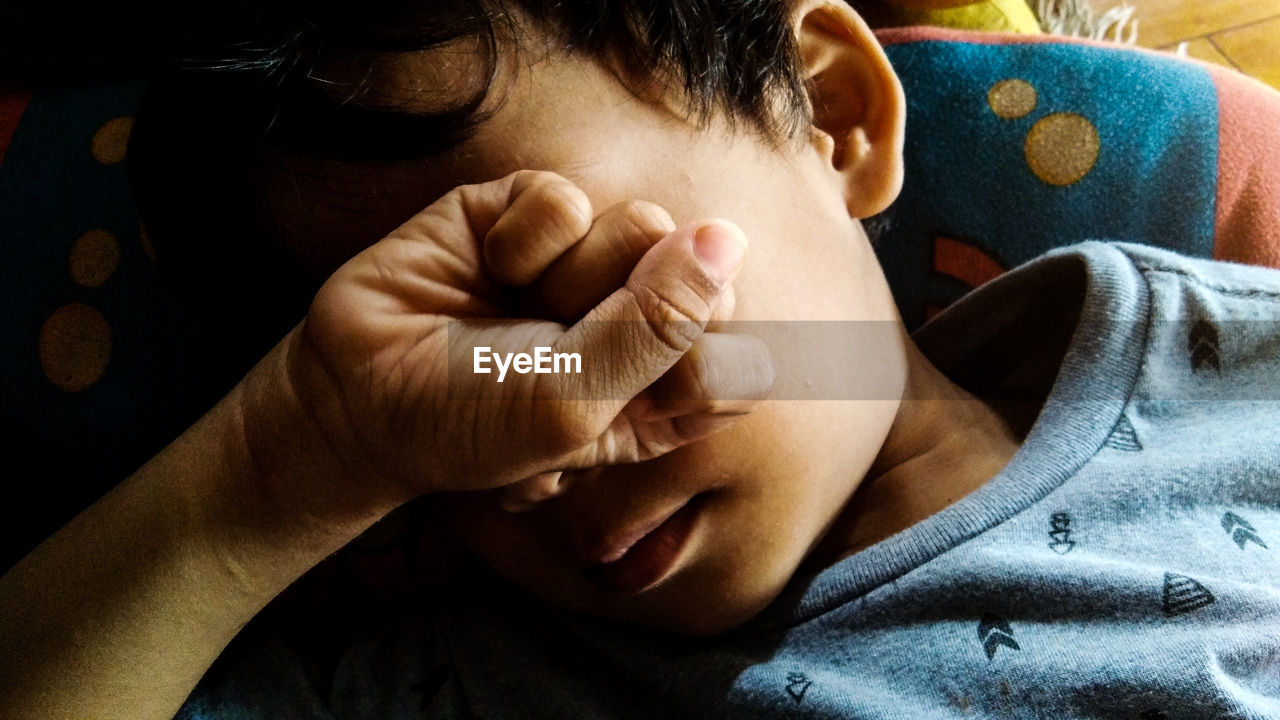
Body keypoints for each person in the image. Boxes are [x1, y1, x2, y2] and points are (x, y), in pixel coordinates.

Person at [2, 1, 1279, 718]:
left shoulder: (1233, 380)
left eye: (561, 295)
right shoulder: (469, 687)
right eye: (441, 408)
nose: (544, 435)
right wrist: (286, 461)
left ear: (831, 122)